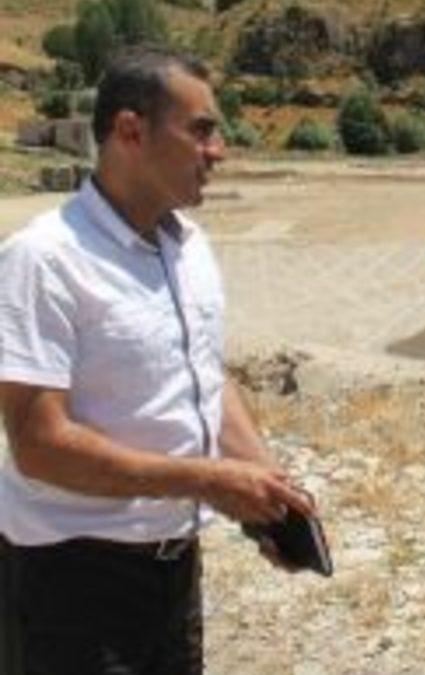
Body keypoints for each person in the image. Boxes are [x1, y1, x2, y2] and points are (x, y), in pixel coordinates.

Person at [0, 47, 315, 675]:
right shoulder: (44, 259)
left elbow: (204, 376)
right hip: (71, 584)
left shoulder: (189, 247)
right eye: (201, 130)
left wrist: (266, 488)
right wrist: (207, 481)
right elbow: (39, 445)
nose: (218, 150)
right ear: (130, 131)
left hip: (174, 573)